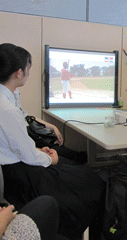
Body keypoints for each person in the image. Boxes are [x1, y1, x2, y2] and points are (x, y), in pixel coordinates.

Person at [0, 43, 105, 239]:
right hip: (20, 172)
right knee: (88, 182)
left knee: (75, 167)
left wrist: (48, 129)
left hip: (21, 161)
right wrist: (51, 159)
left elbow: (22, 119)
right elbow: (28, 154)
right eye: (28, 69)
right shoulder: (6, 109)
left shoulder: (8, 96)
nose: (29, 73)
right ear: (19, 73)